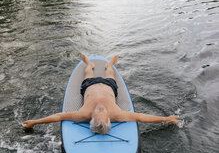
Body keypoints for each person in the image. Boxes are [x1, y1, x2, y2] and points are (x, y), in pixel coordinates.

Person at [22, 54, 180, 134]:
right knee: (110, 73)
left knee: (87, 73)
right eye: (102, 111)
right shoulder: (116, 113)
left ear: (91, 118)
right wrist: (165, 119)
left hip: (89, 86)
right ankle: (109, 64)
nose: (101, 108)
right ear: (109, 118)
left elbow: (58, 117)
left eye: (99, 111)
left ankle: (93, 64)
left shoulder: (83, 114)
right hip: (109, 86)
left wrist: (34, 122)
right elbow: (140, 117)